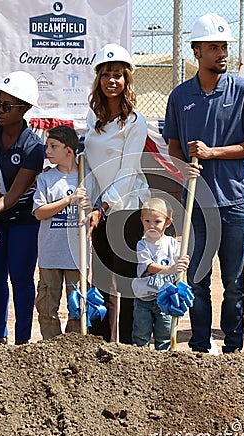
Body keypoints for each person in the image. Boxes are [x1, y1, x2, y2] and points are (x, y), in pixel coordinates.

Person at [163, 13, 244, 354]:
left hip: (235, 203)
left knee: (234, 282)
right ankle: (201, 348)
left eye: (224, 46)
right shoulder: (180, 96)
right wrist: (183, 167)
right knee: (197, 280)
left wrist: (212, 152)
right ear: (196, 51)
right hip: (197, 204)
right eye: (213, 47)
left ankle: (233, 351)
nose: (221, 53)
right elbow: (174, 147)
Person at [83, 43, 150, 344]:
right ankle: (102, 345)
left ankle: (129, 348)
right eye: (106, 74)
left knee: (125, 281)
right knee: (100, 280)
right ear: (98, 79)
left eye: (118, 75)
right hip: (98, 210)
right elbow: (91, 166)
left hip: (126, 209)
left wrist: (104, 207)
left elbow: (127, 171)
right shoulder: (91, 120)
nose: (112, 80)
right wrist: (87, 202)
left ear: (127, 81)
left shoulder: (136, 121)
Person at [33, 126, 99, 339]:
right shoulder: (46, 179)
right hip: (50, 254)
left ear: (69, 151)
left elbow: (93, 216)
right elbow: (40, 213)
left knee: (78, 306)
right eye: (47, 146)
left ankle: (74, 347)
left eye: (53, 146)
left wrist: (89, 207)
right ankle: (51, 347)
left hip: (77, 256)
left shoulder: (87, 177)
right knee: (46, 306)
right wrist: (68, 200)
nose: (48, 151)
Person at [0, 71, 45, 345]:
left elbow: (14, 195)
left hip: (23, 220)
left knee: (21, 280)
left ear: (24, 109)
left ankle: (23, 343)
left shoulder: (33, 147)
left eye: (6, 106)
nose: (0, 110)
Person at [131, 198, 189, 351]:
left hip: (165, 299)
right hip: (144, 299)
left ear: (167, 223)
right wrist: (170, 269)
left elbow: (180, 268)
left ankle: (162, 364)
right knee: (140, 336)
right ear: (141, 221)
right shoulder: (142, 244)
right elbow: (149, 266)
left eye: (157, 222)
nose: (151, 225)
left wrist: (182, 264)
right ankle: (140, 362)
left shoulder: (173, 244)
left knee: (164, 337)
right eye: (147, 221)